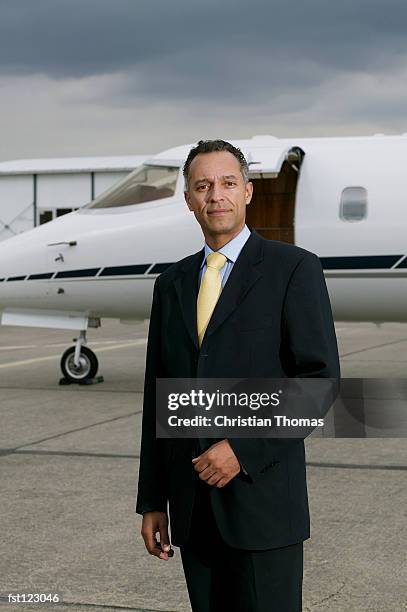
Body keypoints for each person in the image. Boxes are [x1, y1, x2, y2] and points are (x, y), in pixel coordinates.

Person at [136, 139, 340, 611]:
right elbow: (159, 399)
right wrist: (152, 499)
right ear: (189, 199)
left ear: (247, 192)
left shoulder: (294, 270)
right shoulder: (171, 285)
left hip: (263, 505)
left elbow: (320, 382)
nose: (216, 196)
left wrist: (241, 450)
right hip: (193, 513)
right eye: (203, 186)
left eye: (228, 183)